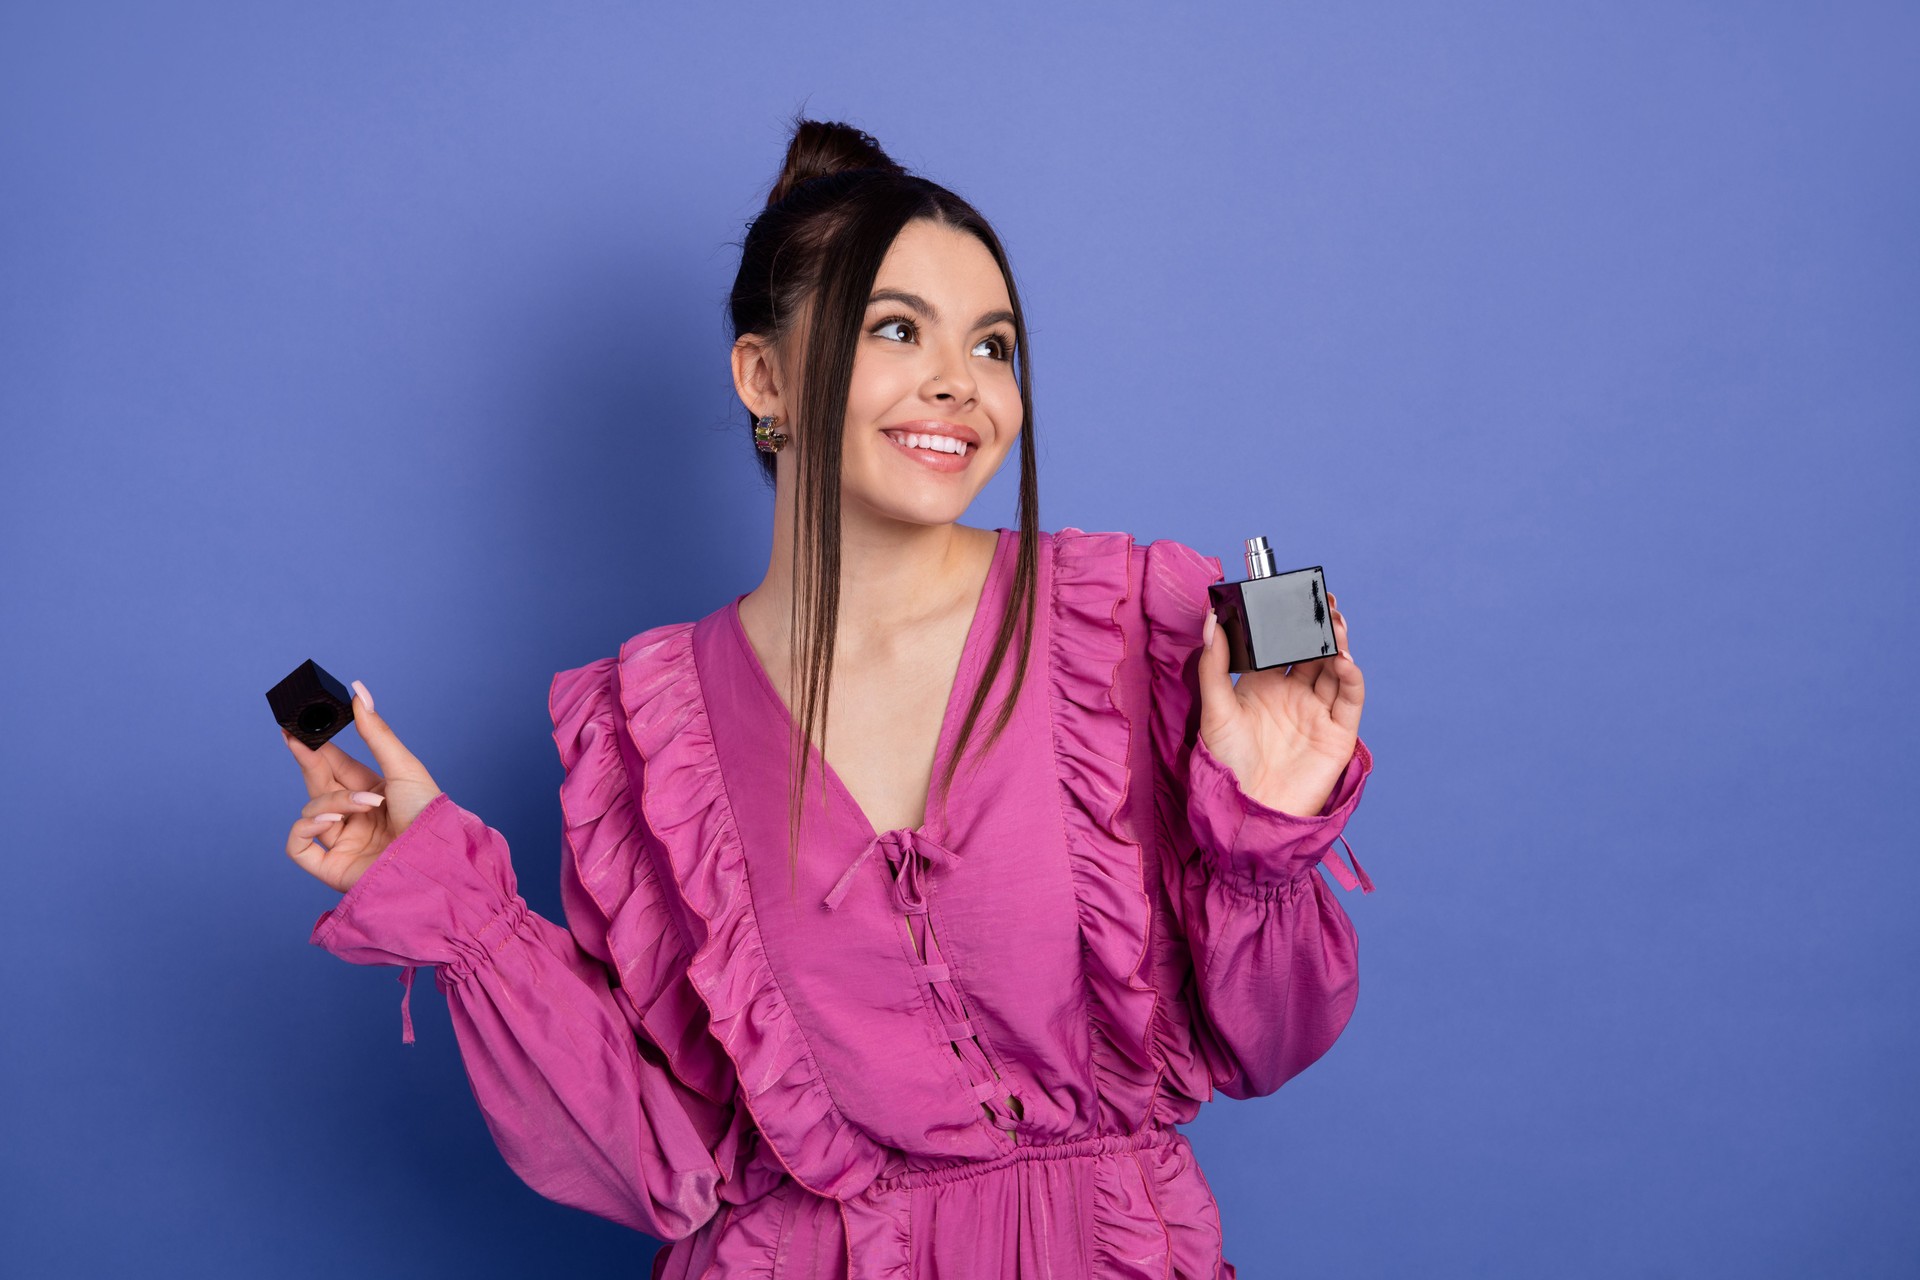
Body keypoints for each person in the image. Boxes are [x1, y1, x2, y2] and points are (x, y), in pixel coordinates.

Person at [282, 117, 1375, 1280]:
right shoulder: (647, 732)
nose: (962, 383)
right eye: (899, 329)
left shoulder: (1132, 621)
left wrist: (1265, 836)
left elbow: (1271, 1044)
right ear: (764, 375)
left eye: (995, 346)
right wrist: (452, 905)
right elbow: (656, 1162)